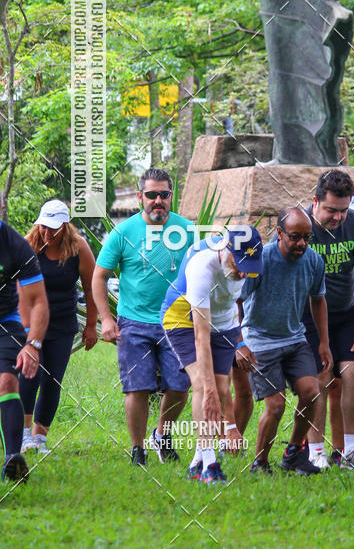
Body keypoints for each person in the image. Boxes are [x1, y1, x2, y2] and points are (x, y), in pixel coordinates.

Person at [92, 168, 194, 466]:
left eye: (164, 194)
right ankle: (138, 449)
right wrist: (106, 319)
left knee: (180, 385)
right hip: (134, 322)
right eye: (151, 195)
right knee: (137, 387)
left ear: (171, 196)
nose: (157, 200)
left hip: (176, 321)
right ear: (140, 197)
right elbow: (99, 277)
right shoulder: (123, 233)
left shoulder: (188, 231)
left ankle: (161, 434)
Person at [160, 226, 263, 485]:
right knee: (202, 386)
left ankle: (195, 462)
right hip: (183, 319)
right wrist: (209, 392)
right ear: (225, 249)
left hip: (225, 321)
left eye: (248, 267)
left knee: (222, 389)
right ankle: (208, 463)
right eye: (239, 264)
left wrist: (240, 341)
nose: (243, 273)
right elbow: (201, 336)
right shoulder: (202, 267)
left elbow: (237, 302)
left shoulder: (246, 263)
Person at [235, 207, 333, 475]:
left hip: (294, 338)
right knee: (276, 406)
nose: (301, 243)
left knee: (311, 393)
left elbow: (318, 300)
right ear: (279, 233)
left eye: (306, 237)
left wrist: (323, 342)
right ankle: (260, 462)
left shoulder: (314, 261)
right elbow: (237, 301)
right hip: (260, 340)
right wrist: (240, 343)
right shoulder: (261, 260)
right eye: (294, 236)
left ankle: (293, 454)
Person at [302, 169, 354, 470]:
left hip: (346, 312)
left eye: (343, 210)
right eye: (331, 210)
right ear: (315, 201)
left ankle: (352, 450)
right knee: (319, 377)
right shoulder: (298, 224)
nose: (338, 217)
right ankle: (316, 452)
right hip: (307, 316)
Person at [19, 199, 98, 455]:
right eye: (43, 226)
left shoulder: (78, 247)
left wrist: (91, 326)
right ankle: (22, 435)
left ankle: (39, 438)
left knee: (52, 380)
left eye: (53, 228)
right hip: (31, 324)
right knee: (29, 375)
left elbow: (91, 288)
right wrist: (24, 330)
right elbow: (16, 289)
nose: (47, 232)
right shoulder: (27, 246)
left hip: (63, 324)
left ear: (64, 226)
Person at [0, 206, 49, 484]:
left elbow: (38, 300)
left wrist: (32, 345)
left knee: (7, 381)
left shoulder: (16, 246)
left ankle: (12, 459)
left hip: (5, 321)